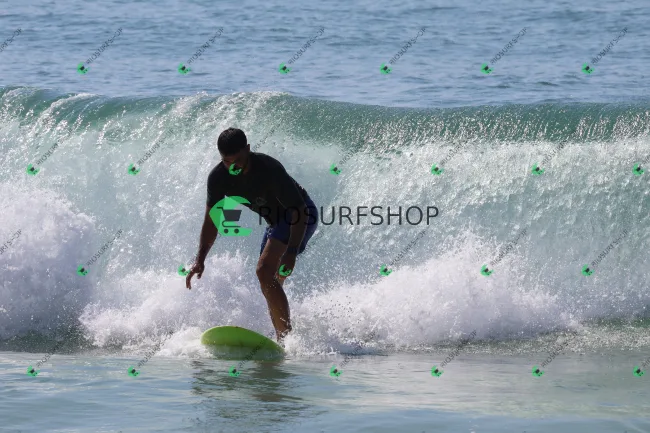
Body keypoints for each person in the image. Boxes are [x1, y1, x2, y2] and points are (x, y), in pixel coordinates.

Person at [185, 127, 318, 342]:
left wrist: (291, 253)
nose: (233, 167)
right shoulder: (218, 178)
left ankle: (286, 339)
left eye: (237, 160)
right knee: (269, 282)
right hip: (275, 223)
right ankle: (282, 338)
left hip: (301, 215)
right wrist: (200, 259)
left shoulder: (269, 168)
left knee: (264, 271)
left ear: (248, 149)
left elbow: (299, 211)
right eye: (227, 162)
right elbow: (212, 220)